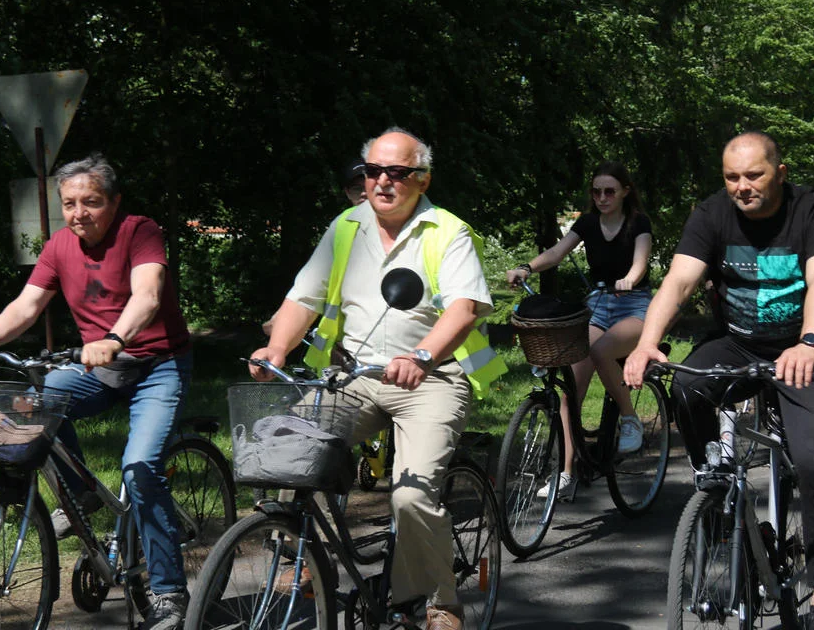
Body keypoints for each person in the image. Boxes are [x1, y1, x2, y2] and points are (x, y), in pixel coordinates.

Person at [250, 128, 506, 630]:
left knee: (410, 496)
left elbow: (463, 307)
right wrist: (275, 348)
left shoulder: (446, 230)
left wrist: (424, 355)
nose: (383, 182)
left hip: (430, 380)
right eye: (372, 171)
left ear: (422, 177)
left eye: (397, 172)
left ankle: (441, 600)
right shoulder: (345, 226)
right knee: (287, 448)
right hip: (356, 376)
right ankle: (305, 557)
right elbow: (303, 297)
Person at [623, 132, 814, 630]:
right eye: (732, 177)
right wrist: (647, 342)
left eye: (754, 175)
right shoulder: (711, 215)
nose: (742, 187)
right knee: (686, 385)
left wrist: (810, 342)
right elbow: (679, 281)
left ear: (781, 172)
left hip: (807, 351)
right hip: (739, 341)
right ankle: (720, 486)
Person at [0, 153, 192, 630]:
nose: (79, 212)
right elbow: (27, 304)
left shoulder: (140, 231)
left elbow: (147, 294)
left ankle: (168, 593)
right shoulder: (59, 245)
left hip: (157, 365)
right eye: (69, 203)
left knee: (141, 467)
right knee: (30, 405)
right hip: (97, 368)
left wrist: (114, 339)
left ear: (115, 202)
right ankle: (80, 496)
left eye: (92, 202)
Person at [505, 160, 653, 499]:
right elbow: (556, 253)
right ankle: (566, 472)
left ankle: (630, 419)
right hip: (599, 305)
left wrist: (631, 278)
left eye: (609, 191)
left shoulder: (637, 222)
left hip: (635, 304)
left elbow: (641, 259)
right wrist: (527, 267)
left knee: (601, 351)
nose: (602, 197)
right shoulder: (587, 223)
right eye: (596, 191)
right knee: (571, 388)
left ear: (625, 192)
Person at [261, 159, 367, 337]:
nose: (364, 193)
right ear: (347, 193)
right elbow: (307, 290)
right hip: (344, 351)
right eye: (357, 188)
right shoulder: (342, 226)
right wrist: (283, 321)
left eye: (368, 185)